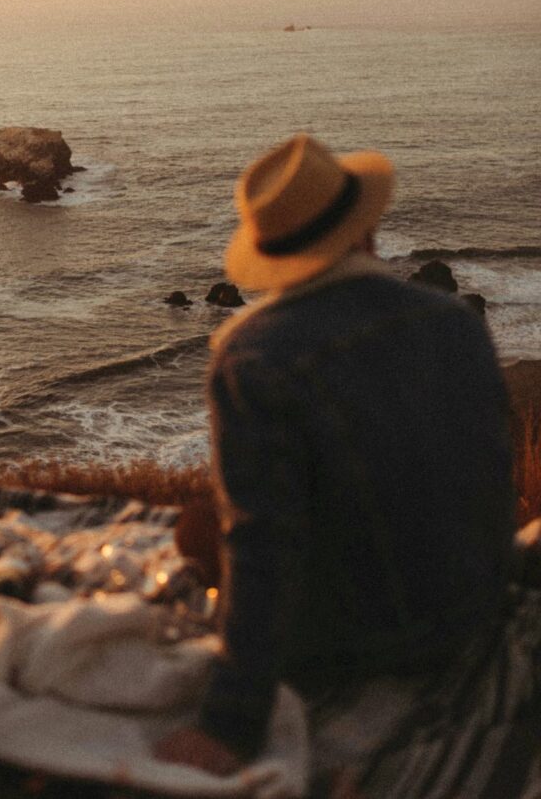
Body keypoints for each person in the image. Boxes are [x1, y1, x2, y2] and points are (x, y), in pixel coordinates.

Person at [156, 133, 515, 775]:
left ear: (275, 255)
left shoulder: (253, 357)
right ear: (366, 231)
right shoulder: (455, 319)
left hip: (356, 650)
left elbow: (264, 546)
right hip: (475, 613)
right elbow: (491, 478)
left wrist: (228, 727)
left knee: (199, 529)